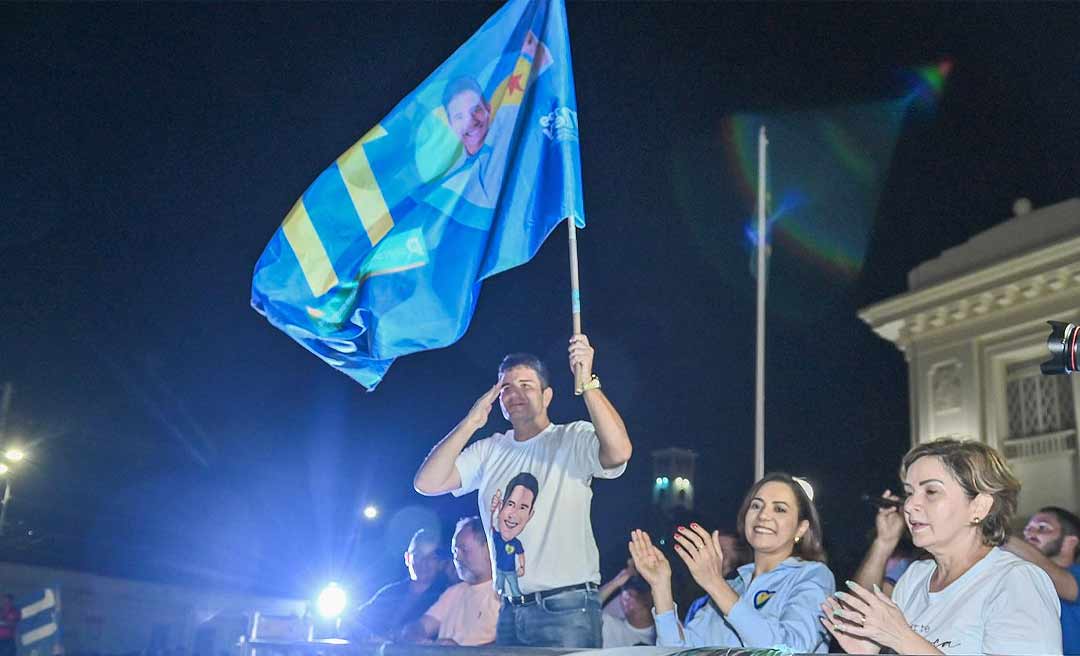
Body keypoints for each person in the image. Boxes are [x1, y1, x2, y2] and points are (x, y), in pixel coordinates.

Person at [413, 335, 633, 648]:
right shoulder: (490, 449)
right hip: (509, 610)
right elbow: (427, 483)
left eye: (526, 385)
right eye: (506, 388)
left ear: (547, 396)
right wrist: (471, 422)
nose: (515, 393)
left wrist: (588, 383)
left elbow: (620, 451)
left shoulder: (571, 438)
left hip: (566, 608)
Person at [822, 438, 1062, 655]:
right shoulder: (916, 577)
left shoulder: (1015, 581)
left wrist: (903, 639)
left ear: (979, 507)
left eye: (931, 491)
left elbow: (906, 642)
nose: (910, 505)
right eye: (909, 492)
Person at [630, 472, 835, 652]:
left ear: (801, 528)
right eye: (756, 505)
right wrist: (661, 587)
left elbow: (791, 649)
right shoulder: (734, 586)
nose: (764, 515)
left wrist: (715, 584)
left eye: (779, 509)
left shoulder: (812, 575)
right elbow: (680, 651)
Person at [401, 517, 500, 646]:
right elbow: (420, 626)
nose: (457, 558)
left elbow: (510, 648)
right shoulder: (455, 592)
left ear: (489, 549)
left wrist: (458, 652)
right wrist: (416, 637)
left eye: (464, 550)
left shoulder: (505, 596)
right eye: (454, 551)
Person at [347, 528, 451, 641]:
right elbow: (358, 620)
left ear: (440, 563)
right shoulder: (389, 593)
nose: (424, 563)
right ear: (407, 558)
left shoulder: (447, 597)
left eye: (432, 557)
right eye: (418, 556)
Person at [1002, 506, 1080, 655]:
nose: (1028, 533)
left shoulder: (1075, 575)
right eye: (1027, 529)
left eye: (1042, 528)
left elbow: (1057, 579)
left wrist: (999, 535)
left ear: (1070, 542)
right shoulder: (1023, 580)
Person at [853, 490, 918, 596]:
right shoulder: (914, 568)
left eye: (931, 492)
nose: (909, 505)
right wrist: (884, 542)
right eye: (909, 495)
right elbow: (859, 607)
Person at [598, 562, 656, 648]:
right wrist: (616, 582)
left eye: (635, 595)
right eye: (625, 595)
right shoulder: (609, 624)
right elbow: (587, 607)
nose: (626, 597)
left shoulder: (666, 632)